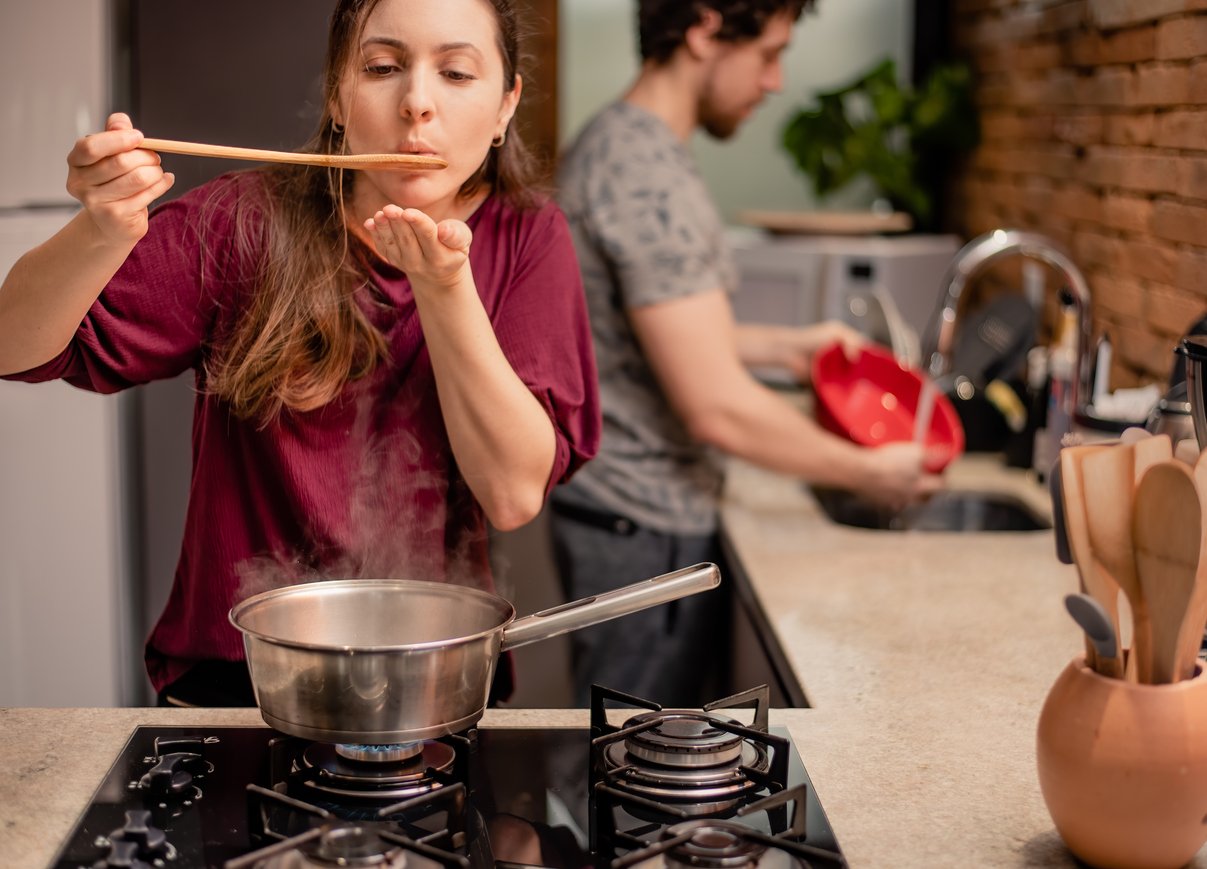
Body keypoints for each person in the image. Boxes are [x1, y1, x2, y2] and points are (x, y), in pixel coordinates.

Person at [0, 0, 599, 707]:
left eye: (456, 72)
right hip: (238, 682)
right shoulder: (242, 223)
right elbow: (16, 346)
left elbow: (510, 492)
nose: (416, 105)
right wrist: (100, 230)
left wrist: (443, 287)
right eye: (381, 67)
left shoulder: (529, 237)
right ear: (339, 97)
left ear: (506, 107)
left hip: (436, 683)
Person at [551, 0, 944, 706]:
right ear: (703, 28)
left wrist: (790, 348)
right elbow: (715, 407)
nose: (774, 82)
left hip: (626, 516)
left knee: (629, 762)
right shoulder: (645, 175)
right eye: (767, 53)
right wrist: (866, 470)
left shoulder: (624, 143)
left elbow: (660, 336)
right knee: (634, 774)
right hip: (644, 526)